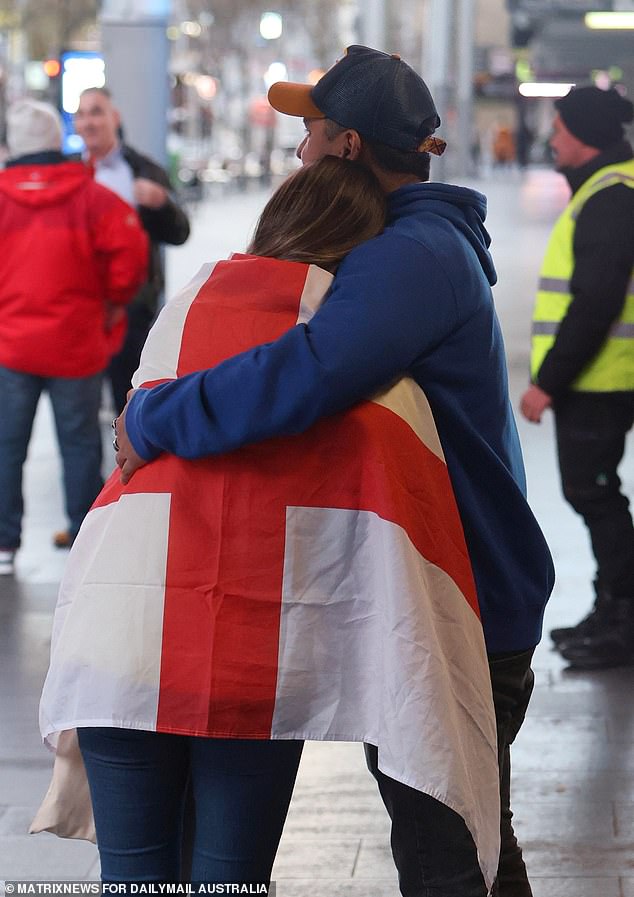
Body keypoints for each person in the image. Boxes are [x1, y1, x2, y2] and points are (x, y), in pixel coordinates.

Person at [114, 46, 554, 897]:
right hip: (454, 589)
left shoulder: (413, 254)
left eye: (311, 130)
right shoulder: (418, 242)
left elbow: (309, 371)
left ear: (349, 145)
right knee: (464, 842)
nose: (300, 148)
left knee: (448, 855)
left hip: (465, 605)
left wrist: (153, 414)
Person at [38, 155, 501, 892]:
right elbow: (404, 524)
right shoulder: (361, 362)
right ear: (363, 247)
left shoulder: (190, 301)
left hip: (116, 629)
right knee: (230, 878)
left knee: (131, 874)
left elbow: (130, 440)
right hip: (247, 655)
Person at [0, 98, 148, 576]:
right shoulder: (93, 197)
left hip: (11, 346)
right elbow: (130, 260)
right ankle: (84, 538)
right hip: (77, 342)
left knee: (6, 445)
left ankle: (4, 545)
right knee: (81, 444)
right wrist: (111, 301)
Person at [520, 86, 634, 670]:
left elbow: (596, 301)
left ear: (584, 135)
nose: (552, 136)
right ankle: (612, 610)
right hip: (607, 376)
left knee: (593, 494)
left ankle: (623, 622)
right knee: (597, 493)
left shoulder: (610, 195)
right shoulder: (610, 186)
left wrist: (549, 382)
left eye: (560, 127)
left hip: (603, 378)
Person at [73, 87, 190, 414]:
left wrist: (162, 203)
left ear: (114, 118)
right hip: (80, 310)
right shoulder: (69, 173)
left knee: (130, 408)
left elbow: (180, 232)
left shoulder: (144, 170)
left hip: (131, 310)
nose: (88, 122)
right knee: (78, 413)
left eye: (96, 112)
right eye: (81, 114)